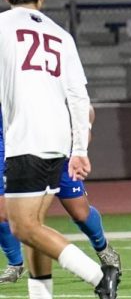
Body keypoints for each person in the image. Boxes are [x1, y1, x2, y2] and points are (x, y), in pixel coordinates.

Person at [0, 0, 120, 299]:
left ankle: (100, 277)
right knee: (34, 222)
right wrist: (80, 149)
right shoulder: (61, 34)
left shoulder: (2, 27)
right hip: (58, 139)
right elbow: (79, 97)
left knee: (22, 227)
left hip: (26, 137)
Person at [0, 105, 121, 285]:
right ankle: (15, 264)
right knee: (4, 213)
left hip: (53, 148)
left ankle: (102, 249)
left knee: (79, 212)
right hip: (10, 147)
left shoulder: (51, 79)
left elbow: (85, 106)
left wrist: (83, 133)